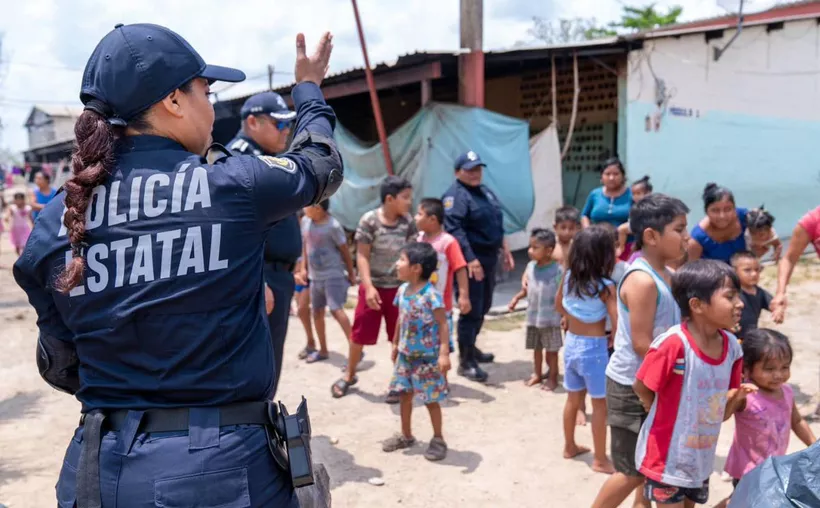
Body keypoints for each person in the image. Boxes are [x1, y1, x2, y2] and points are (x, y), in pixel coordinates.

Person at [12, 23, 340, 507]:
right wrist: (308, 88)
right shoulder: (235, 185)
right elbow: (320, 163)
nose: (212, 106)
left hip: (100, 473)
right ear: (172, 101)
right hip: (221, 473)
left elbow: (60, 363)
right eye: (206, 91)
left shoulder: (55, 218)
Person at [592, 194, 689, 508]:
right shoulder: (642, 280)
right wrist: (682, 368)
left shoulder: (668, 276)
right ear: (651, 236)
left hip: (655, 381)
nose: (686, 237)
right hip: (631, 385)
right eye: (679, 229)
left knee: (649, 465)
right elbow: (641, 342)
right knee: (631, 470)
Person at [632, 260, 752, 508]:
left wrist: (737, 399)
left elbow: (720, 412)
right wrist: (658, 411)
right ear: (696, 305)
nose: (740, 304)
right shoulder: (674, 344)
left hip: (700, 458)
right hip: (666, 458)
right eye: (730, 297)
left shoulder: (732, 348)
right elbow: (641, 385)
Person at [228, 90, 302, 398]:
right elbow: (231, 230)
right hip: (261, 277)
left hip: (276, 276)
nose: (286, 131)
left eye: (288, 125)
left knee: (270, 362)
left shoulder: (265, 160)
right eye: (279, 124)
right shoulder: (240, 159)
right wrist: (257, 278)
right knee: (257, 366)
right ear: (253, 122)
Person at [332, 176, 416, 399]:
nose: (409, 202)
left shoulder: (408, 223)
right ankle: (349, 374)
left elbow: (411, 255)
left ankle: (398, 381)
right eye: (405, 197)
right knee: (359, 335)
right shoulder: (369, 221)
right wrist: (368, 286)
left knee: (398, 338)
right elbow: (362, 255)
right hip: (373, 289)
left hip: (399, 290)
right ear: (389, 199)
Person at [715, 328, 817, 508]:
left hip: (772, 469)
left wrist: (814, 446)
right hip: (747, 469)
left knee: (744, 501)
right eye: (769, 369)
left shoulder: (786, 391)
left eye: (785, 367)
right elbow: (724, 416)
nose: (778, 375)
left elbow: (797, 421)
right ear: (747, 369)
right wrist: (735, 398)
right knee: (744, 501)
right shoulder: (748, 395)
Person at [443, 150, 515, 383]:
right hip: (470, 262)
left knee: (483, 306)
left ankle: (471, 347)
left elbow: (497, 221)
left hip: (489, 259)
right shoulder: (455, 197)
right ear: (457, 172)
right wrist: (470, 260)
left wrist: (505, 248)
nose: (475, 174)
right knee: (470, 309)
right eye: (469, 170)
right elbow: (455, 231)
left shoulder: (484, 192)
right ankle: (466, 362)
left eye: (478, 169)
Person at [555, 225, 617, 474]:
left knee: (573, 398)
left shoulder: (569, 277)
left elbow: (558, 304)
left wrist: (570, 317)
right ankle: (600, 458)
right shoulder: (606, 286)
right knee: (599, 405)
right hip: (594, 349)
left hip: (571, 343)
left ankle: (569, 445)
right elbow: (616, 317)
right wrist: (615, 336)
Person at [381, 242, 451, 461]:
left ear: (416, 268)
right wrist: (394, 344)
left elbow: (443, 323)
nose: (397, 264)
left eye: (402, 260)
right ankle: (406, 435)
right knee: (404, 396)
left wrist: (444, 353)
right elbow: (401, 320)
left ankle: (438, 439)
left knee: (431, 399)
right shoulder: (402, 291)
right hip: (405, 356)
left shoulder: (431, 295)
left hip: (427, 358)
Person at [414, 198, 471, 355]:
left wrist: (464, 296)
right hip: (419, 304)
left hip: (440, 306)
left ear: (432, 219)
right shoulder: (418, 239)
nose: (415, 217)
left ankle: (441, 379)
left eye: (419, 214)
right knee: (422, 346)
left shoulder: (448, 242)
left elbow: (460, 268)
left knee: (441, 347)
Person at [301, 199, 356, 363]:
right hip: (314, 276)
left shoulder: (333, 226)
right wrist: (303, 267)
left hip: (333, 274)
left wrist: (351, 273)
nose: (305, 208)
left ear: (318, 209)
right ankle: (323, 350)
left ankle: (356, 349)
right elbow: (306, 245)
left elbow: (345, 251)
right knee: (316, 312)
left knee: (336, 310)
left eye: (309, 205)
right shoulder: (305, 222)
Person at [509, 228, 563, 390]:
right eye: (530, 246)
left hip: (551, 319)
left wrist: (565, 315)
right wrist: (516, 298)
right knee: (536, 349)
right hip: (533, 318)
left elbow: (563, 293)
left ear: (549, 251)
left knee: (551, 351)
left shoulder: (558, 270)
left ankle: (552, 376)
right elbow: (527, 289)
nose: (530, 251)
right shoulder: (530, 267)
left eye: (535, 247)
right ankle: (537, 374)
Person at [581, 157, 633, 260]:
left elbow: (640, 218)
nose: (611, 178)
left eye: (616, 174)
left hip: (625, 247)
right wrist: (588, 232)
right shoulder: (595, 194)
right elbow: (584, 215)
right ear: (601, 176)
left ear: (623, 176)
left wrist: (623, 229)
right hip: (597, 246)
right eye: (607, 174)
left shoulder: (632, 195)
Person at [687, 183, 749, 264]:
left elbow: (769, 233)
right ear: (706, 211)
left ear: (734, 208)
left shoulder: (744, 217)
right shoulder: (698, 238)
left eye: (728, 209)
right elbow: (690, 271)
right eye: (715, 210)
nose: (722, 216)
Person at [730, 251, 784, 340]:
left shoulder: (759, 292)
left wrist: (778, 310)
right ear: (734, 271)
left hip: (750, 338)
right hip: (732, 337)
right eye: (747, 270)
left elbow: (774, 304)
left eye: (757, 270)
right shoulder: (731, 293)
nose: (754, 274)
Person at [615, 176, 653, 263]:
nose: (635, 196)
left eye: (639, 193)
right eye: (633, 194)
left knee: (621, 229)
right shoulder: (635, 205)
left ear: (648, 193)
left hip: (641, 226)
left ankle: (621, 247)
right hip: (635, 227)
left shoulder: (649, 206)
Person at [6, 192, 33, 256]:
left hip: (25, 229)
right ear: (14, 200)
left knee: (24, 245)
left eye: (20, 199)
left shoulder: (28, 208)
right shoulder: (12, 208)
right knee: (17, 246)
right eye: (17, 200)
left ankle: (23, 258)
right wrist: (7, 217)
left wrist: (33, 225)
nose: (19, 201)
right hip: (15, 230)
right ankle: (19, 257)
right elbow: (8, 214)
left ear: (23, 200)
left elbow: (30, 218)